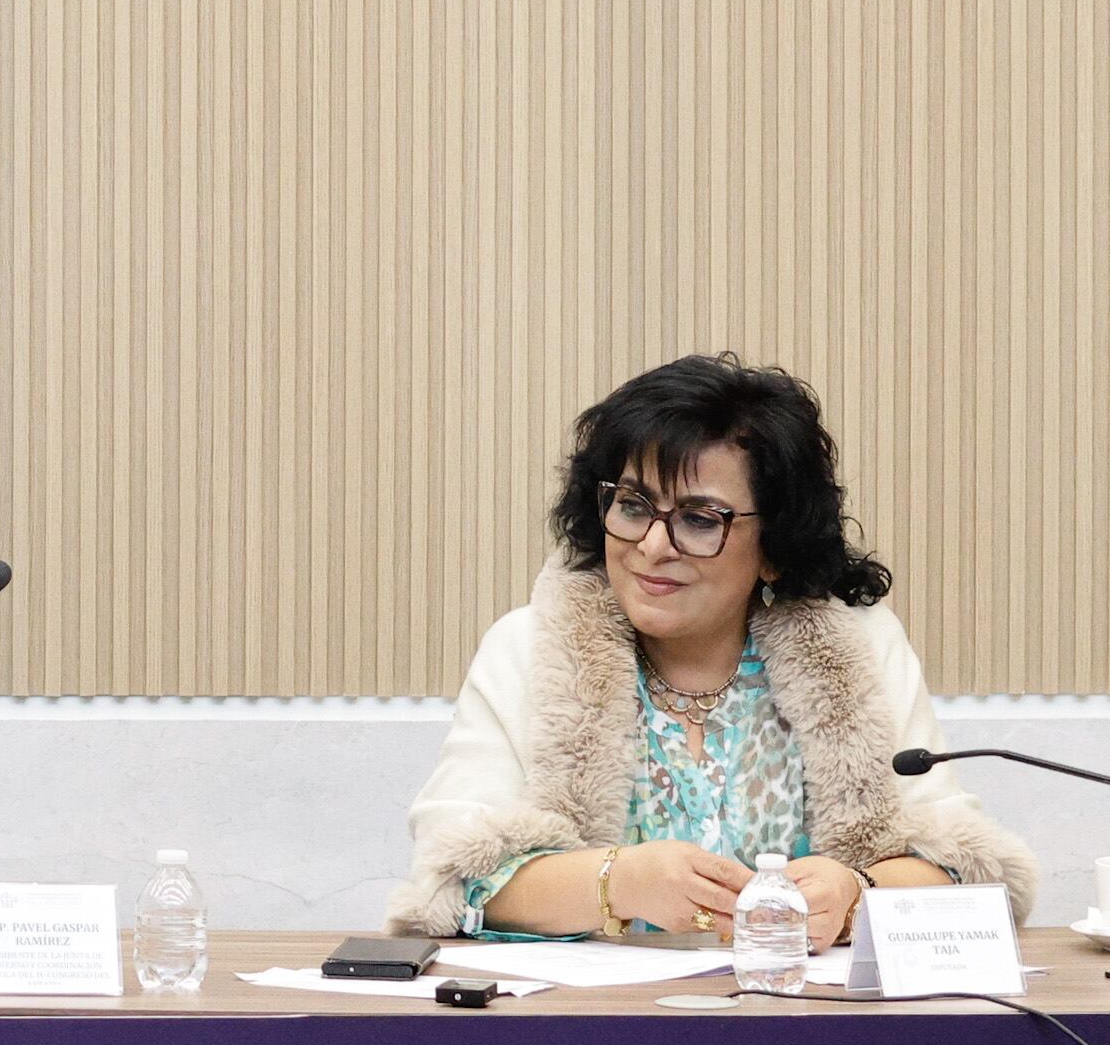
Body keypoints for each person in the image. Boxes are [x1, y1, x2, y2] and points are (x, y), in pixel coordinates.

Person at [391, 354, 1033, 946]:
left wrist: (856, 894)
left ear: (775, 547)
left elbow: (961, 870)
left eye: (700, 519)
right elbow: (453, 878)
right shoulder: (530, 647)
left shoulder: (858, 648)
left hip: (807, 1012)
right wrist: (616, 882)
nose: (653, 546)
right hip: (596, 1016)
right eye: (634, 505)